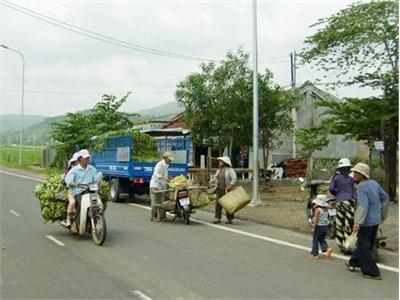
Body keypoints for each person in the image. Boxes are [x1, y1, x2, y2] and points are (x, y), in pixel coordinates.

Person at [346, 163, 389, 280]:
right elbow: (385, 198)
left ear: (362, 175)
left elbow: (363, 206)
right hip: (375, 221)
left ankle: (372, 272)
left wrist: (357, 222)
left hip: (366, 222)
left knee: (364, 247)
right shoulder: (375, 184)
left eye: (356, 173)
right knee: (365, 244)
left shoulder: (362, 187)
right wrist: (383, 214)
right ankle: (353, 262)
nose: (354, 175)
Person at [64, 149, 102, 231]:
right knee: (82, 204)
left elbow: (96, 177)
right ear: (80, 158)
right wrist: (73, 184)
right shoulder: (74, 170)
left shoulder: (92, 168)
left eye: (88, 158)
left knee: (97, 204)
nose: (87, 159)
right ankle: (75, 223)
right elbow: (68, 180)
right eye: (86, 158)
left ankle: (96, 219)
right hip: (78, 192)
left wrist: (98, 182)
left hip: (91, 190)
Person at [329, 158, 356, 253]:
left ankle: (340, 245)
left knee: (340, 223)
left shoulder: (335, 177)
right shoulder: (353, 177)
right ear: (349, 167)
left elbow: (331, 189)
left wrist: (338, 194)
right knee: (348, 223)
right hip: (350, 201)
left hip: (339, 201)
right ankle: (347, 246)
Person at [210, 156, 237, 224]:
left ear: (225, 163)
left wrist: (230, 185)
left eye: (221, 161)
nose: (219, 162)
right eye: (219, 161)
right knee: (218, 204)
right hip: (219, 189)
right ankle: (218, 218)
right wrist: (214, 180)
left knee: (228, 204)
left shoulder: (230, 170)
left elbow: (234, 178)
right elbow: (214, 177)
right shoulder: (219, 170)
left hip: (227, 190)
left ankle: (229, 219)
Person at [149, 151, 173, 222]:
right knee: (155, 202)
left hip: (162, 185)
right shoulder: (159, 164)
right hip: (155, 185)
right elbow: (156, 174)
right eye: (169, 159)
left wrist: (169, 178)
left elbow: (165, 175)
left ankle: (162, 217)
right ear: (165, 158)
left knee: (162, 201)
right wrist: (163, 178)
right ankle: (153, 217)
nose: (170, 161)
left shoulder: (166, 165)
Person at [310, 194, 333, 260]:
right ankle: (327, 249)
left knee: (315, 240)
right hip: (325, 226)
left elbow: (316, 219)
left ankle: (315, 254)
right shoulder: (326, 209)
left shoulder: (318, 210)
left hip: (319, 226)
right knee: (322, 240)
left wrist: (313, 228)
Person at [64, 152, 80, 227]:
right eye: (77, 161)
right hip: (72, 191)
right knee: (72, 202)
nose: (78, 162)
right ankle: (68, 219)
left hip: (83, 191)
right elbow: (66, 181)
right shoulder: (71, 170)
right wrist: (71, 184)